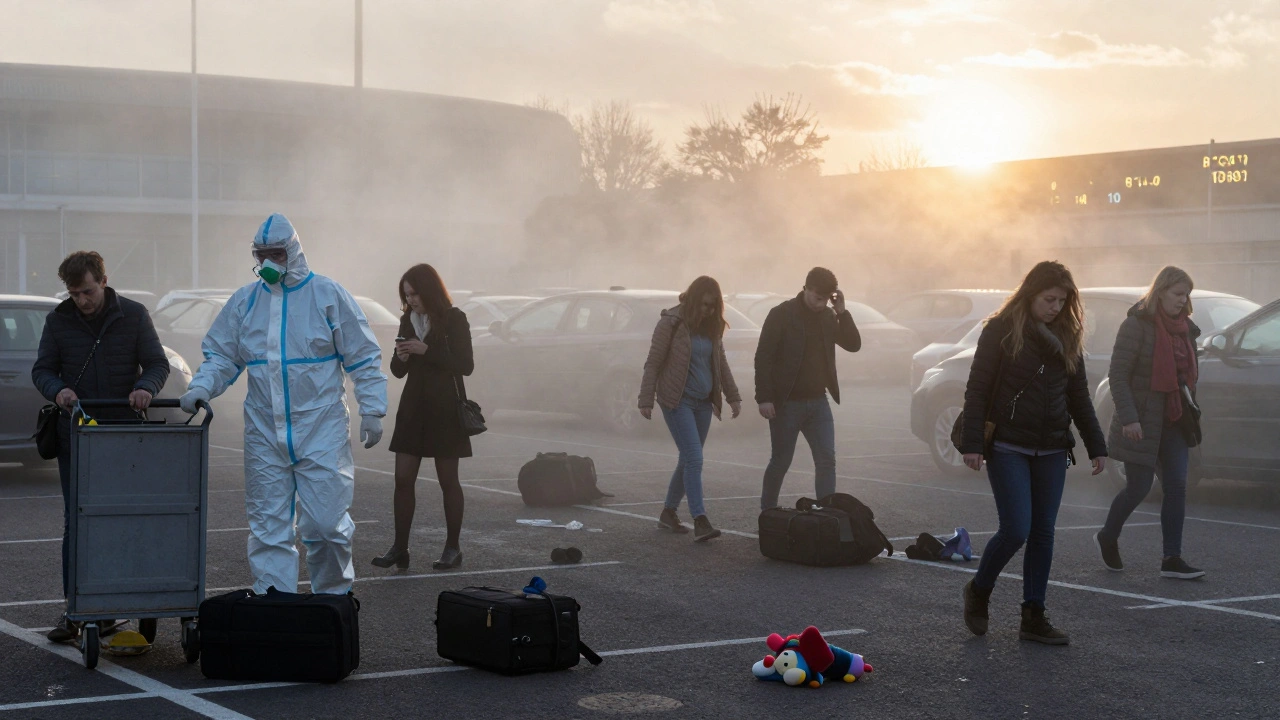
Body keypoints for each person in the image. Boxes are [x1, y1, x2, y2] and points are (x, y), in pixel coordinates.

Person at [179, 213, 387, 596]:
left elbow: (362, 356)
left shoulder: (327, 295)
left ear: (293, 251)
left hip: (321, 429)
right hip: (264, 433)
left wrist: (372, 407)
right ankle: (275, 610)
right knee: (268, 528)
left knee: (325, 526)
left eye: (276, 253)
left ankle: (333, 603)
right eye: (262, 255)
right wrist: (202, 386)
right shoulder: (245, 302)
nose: (269, 263)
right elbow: (222, 355)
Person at [958, 261, 1107, 646]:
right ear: (1030, 294)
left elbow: (1078, 397)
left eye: (1062, 300)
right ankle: (979, 589)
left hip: (1053, 448)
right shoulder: (1002, 330)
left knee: (1043, 533)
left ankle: (1033, 615)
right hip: (1008, 445)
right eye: (1049, 299)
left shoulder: (1068, 335)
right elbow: (977, 389)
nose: (1056, 307)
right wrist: (973, 443)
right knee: (1017, 529)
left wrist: (1097, 445)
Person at [32, 251, 170, 643]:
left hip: (125, 434)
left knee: (127, 518)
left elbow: (158, 364)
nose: (82, 300)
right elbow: (42, 369)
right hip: (75, 434)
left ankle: (120, 604)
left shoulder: (135, 314)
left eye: (87, 291)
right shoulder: (58, 320)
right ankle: (77, 608)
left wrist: (146, 387)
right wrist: (58, 391)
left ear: (104, 281)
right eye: (74, 293)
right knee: (78, 522)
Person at [1095, 266, 1205, 580]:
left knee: (1176, 488)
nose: (1183, 301)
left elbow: (1188, 377)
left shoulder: (1186, 328)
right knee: (1139, 487)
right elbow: (1118, 376)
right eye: (1178, 294)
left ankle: (1172, 558)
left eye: (1187, 295)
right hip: (1142, 420)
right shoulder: (1136, 325)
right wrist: (1129, 418)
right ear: (1160, 291)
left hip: (1175, 420)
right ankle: (1108, 535)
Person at [371, 264, 474, 571]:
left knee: (448, 481)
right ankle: (399, 548)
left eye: (415, 293)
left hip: (445, 410)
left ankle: (452, 548)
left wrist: (425, 349)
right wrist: (401, 356)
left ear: (429, 290)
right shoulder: (407, 319)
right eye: (406, 294)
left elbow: (465, 365)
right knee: (402, 479)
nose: (411, 300)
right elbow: (398, 371)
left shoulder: (455, 319)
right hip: (413, 408)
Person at [638, 276, 743, 542]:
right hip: (677, 400)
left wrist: (733, 396)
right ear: (694, 300)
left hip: (703, 402)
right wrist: (646, 398)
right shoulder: (671, 323)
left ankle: (668, 513)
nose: (708, 311)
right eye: (705, 305)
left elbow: (720, 362)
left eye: (713, 306)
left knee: (687, 459)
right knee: (695, 459)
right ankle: (700, 519)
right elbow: (653, 363)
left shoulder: (711, 327)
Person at [755, 267, 861, 511]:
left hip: (818, 401)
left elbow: (853, 345)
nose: (821, 303)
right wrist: (764, 398)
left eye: (826, 298)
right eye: (817, 297)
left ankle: (827, 516)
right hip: (786, 404)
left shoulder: (827, 316)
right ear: (806, 289)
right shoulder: (781, 314)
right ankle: (768, 512)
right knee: (781, 461)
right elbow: (764, 357)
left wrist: (842, 312)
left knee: (826, 460)